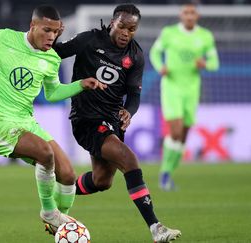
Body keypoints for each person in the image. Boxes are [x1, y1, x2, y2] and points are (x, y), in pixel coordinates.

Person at [0, 5, 106, 232]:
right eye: (46, 30)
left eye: (55, 32)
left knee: (68, 175)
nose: (51, 37)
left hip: (25, 121)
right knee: (45, 153)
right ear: (33, 26)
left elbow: (52, 94)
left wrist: (80, 84)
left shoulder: (51, 59)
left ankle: (59, 227)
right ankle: (49, 212)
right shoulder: (3, 38)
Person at [53, 4, 181, 242]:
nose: (126, 33)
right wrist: (54, 37)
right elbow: (58, 52)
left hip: (112, 121)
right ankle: (156, 227)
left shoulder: (135, 56)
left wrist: (129, 112)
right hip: (86, 118)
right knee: (129, 159)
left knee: (102, 181)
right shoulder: (90, 39)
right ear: (113, 23)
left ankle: (55, 195)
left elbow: (134, 95)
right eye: (122, 26)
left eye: (132, 29)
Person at [149, 3, 220, 191]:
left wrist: (204, 63)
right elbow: (155, 52)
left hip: (192, 90)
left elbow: (214, 63)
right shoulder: (169, 33)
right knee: (176, 130)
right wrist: (160, 66)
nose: (189, 16)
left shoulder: (205, 36)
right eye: (186, 12)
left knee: (183, 136)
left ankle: (169, 174)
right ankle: (164, 173)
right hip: (172, 87)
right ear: (181, 15)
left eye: (193, 13)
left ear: (197, 16)